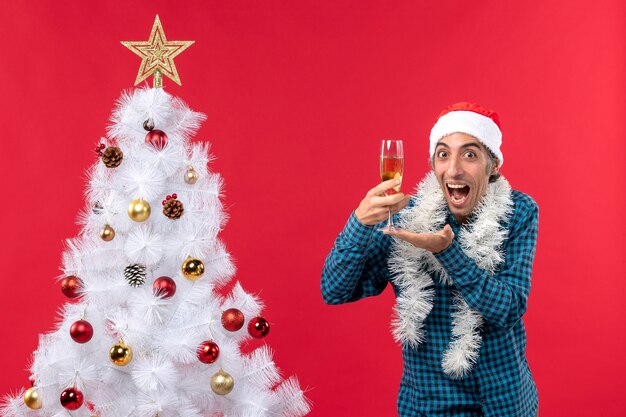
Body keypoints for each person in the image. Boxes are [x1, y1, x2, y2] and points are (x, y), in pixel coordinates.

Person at [321, 102, 539, 417]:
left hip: (505, 402)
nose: (454, 170)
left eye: (469, 154)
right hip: (432, 404)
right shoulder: (406, 219)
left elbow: (508, 308)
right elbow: (334, 290)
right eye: (443, 154)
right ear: (432, 164)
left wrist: (446, 252)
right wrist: (359, 224)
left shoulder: (518, 211)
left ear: (493, 166)